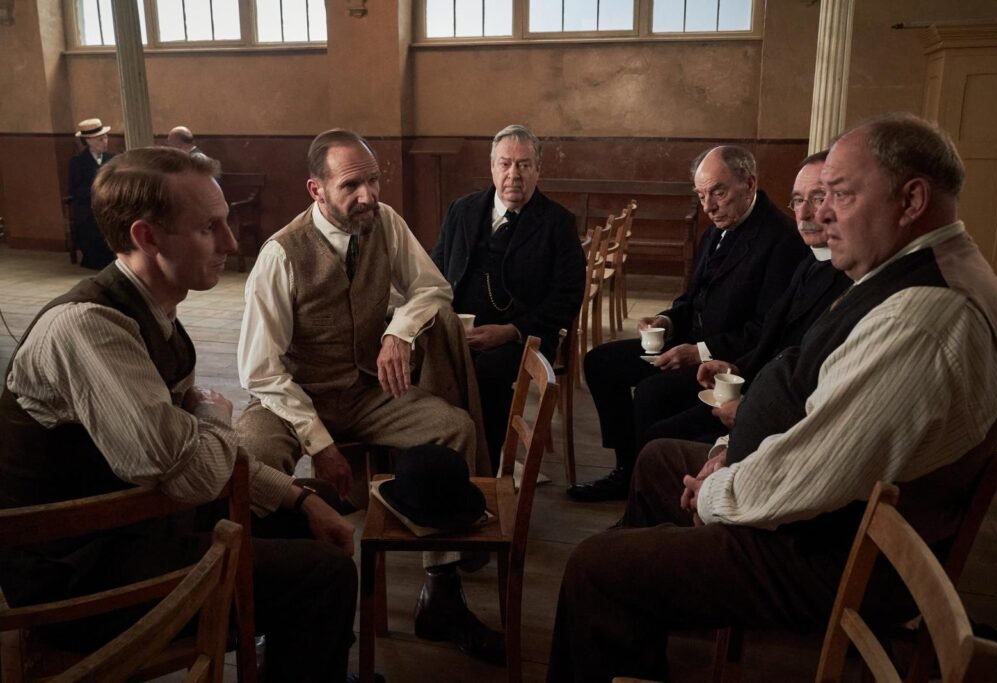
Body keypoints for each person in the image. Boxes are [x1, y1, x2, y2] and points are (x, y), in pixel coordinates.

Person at [546, 113, 997, 682]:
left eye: (839, 196)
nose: (820, 215)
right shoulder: (914, 271)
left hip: (832, 553)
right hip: (819, 509)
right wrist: (729, 447)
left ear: (912, 199)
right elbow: (818, 407)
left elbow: (809, 474)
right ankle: (645, 616)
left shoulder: (925, 318)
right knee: (655, 462)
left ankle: (625, 596)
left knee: (594, 570)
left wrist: (715, 491)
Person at [0, 147, 358, 682]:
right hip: (82, 577)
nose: (232, 242)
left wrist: (296, 495)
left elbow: (196, 460)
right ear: (147, 237)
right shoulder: (88, 329)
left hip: (134, 523)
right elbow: (189, 474)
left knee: (315, 508)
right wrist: (211, 420)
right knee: (322, 575)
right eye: (209, 228)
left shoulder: (155, 312)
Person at [237, 128, 504, 664]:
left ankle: (441, 591)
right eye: (351, 185)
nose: (368, 195)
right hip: (293, 397)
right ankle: (273, 611)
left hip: (362, 390)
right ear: (316, 190)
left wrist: (397, 332)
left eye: (374, 179)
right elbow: (261, 371)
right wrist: (321, 445)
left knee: (452, 427)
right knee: (253, 459)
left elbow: (432, 288)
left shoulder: (385, 223)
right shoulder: (281, 254)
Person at [569, 145, 805, 502]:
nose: (708, 206)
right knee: (600, 362)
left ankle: (644, 484)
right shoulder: (715, 230)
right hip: (690, 342)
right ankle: (626, 469)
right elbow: (692, 299)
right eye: (701, 195)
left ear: (750, 183)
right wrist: (666, 319)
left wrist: (699, 352)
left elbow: (763, 330)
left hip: (726, 363)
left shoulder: (781, 240)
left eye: (718, 192)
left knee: (650, 394)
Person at [642, 151, 852, 446]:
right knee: (614, 372)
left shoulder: (793, 245)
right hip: (743, 374)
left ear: (750, 185)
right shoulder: (811, 259)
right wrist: (736, 367)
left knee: (655, 430)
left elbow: (792, 357)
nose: (804, 214)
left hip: (773, 413)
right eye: (798, 200)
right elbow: (696, 299)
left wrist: (728, 372)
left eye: (818, 199)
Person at [432, 124, 585, 468]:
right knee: (420, 363)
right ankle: (441, 459)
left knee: (488, 371)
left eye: (524, 165)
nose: (513, 174)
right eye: (505, 164)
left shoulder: (557, 223)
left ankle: (484, 469)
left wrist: (511, 330)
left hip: (521, 336)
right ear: (492, 167)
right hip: (459, 329)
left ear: (537, 170)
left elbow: (567, 296)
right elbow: (435, 271)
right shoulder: (462, 210)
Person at [68, 117, 116, 269]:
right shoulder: (77, 162)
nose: (105, 142)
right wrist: (97, 192)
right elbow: (77, 189)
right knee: (90, 222)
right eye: (100, 139)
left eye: (106, 138)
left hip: (111, 202)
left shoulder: (113, 159)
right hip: (89, 205)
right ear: (88, 141)